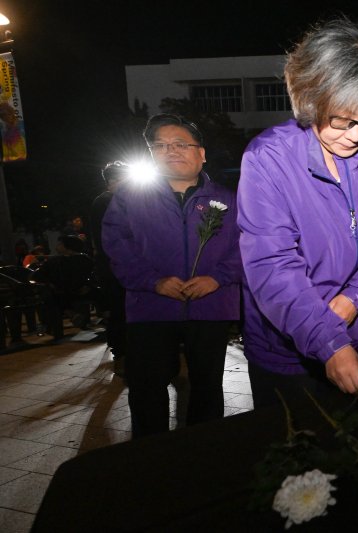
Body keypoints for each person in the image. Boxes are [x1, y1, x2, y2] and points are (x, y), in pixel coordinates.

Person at [237, 17, 358, 406]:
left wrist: (355, 298)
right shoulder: (268, 160)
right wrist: (326, 337)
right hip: (285, 351)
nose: (357, 136)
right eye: (343, 120)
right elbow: (272, 264)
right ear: (311, 99)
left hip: (354, 336)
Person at [103, 114, 242, 438]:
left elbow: (247, 246)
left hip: (210, 306)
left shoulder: (228, 199)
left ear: (201, 153)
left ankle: (202, 450)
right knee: (147, 387)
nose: (171, 151)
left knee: (207, 387)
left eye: (181, 144)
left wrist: (217, 279)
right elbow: (116, 246)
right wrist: (153, 281)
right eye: (160, 145)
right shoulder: (129, 198)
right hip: (151, 306)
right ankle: (150, 455)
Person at [90, 161, 129, 378]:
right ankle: (121, 353)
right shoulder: (104, 201)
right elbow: (106, 239)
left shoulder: (122, 200)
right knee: (118, 309)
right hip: (112, 265)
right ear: (114, 180)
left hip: (122, 264)